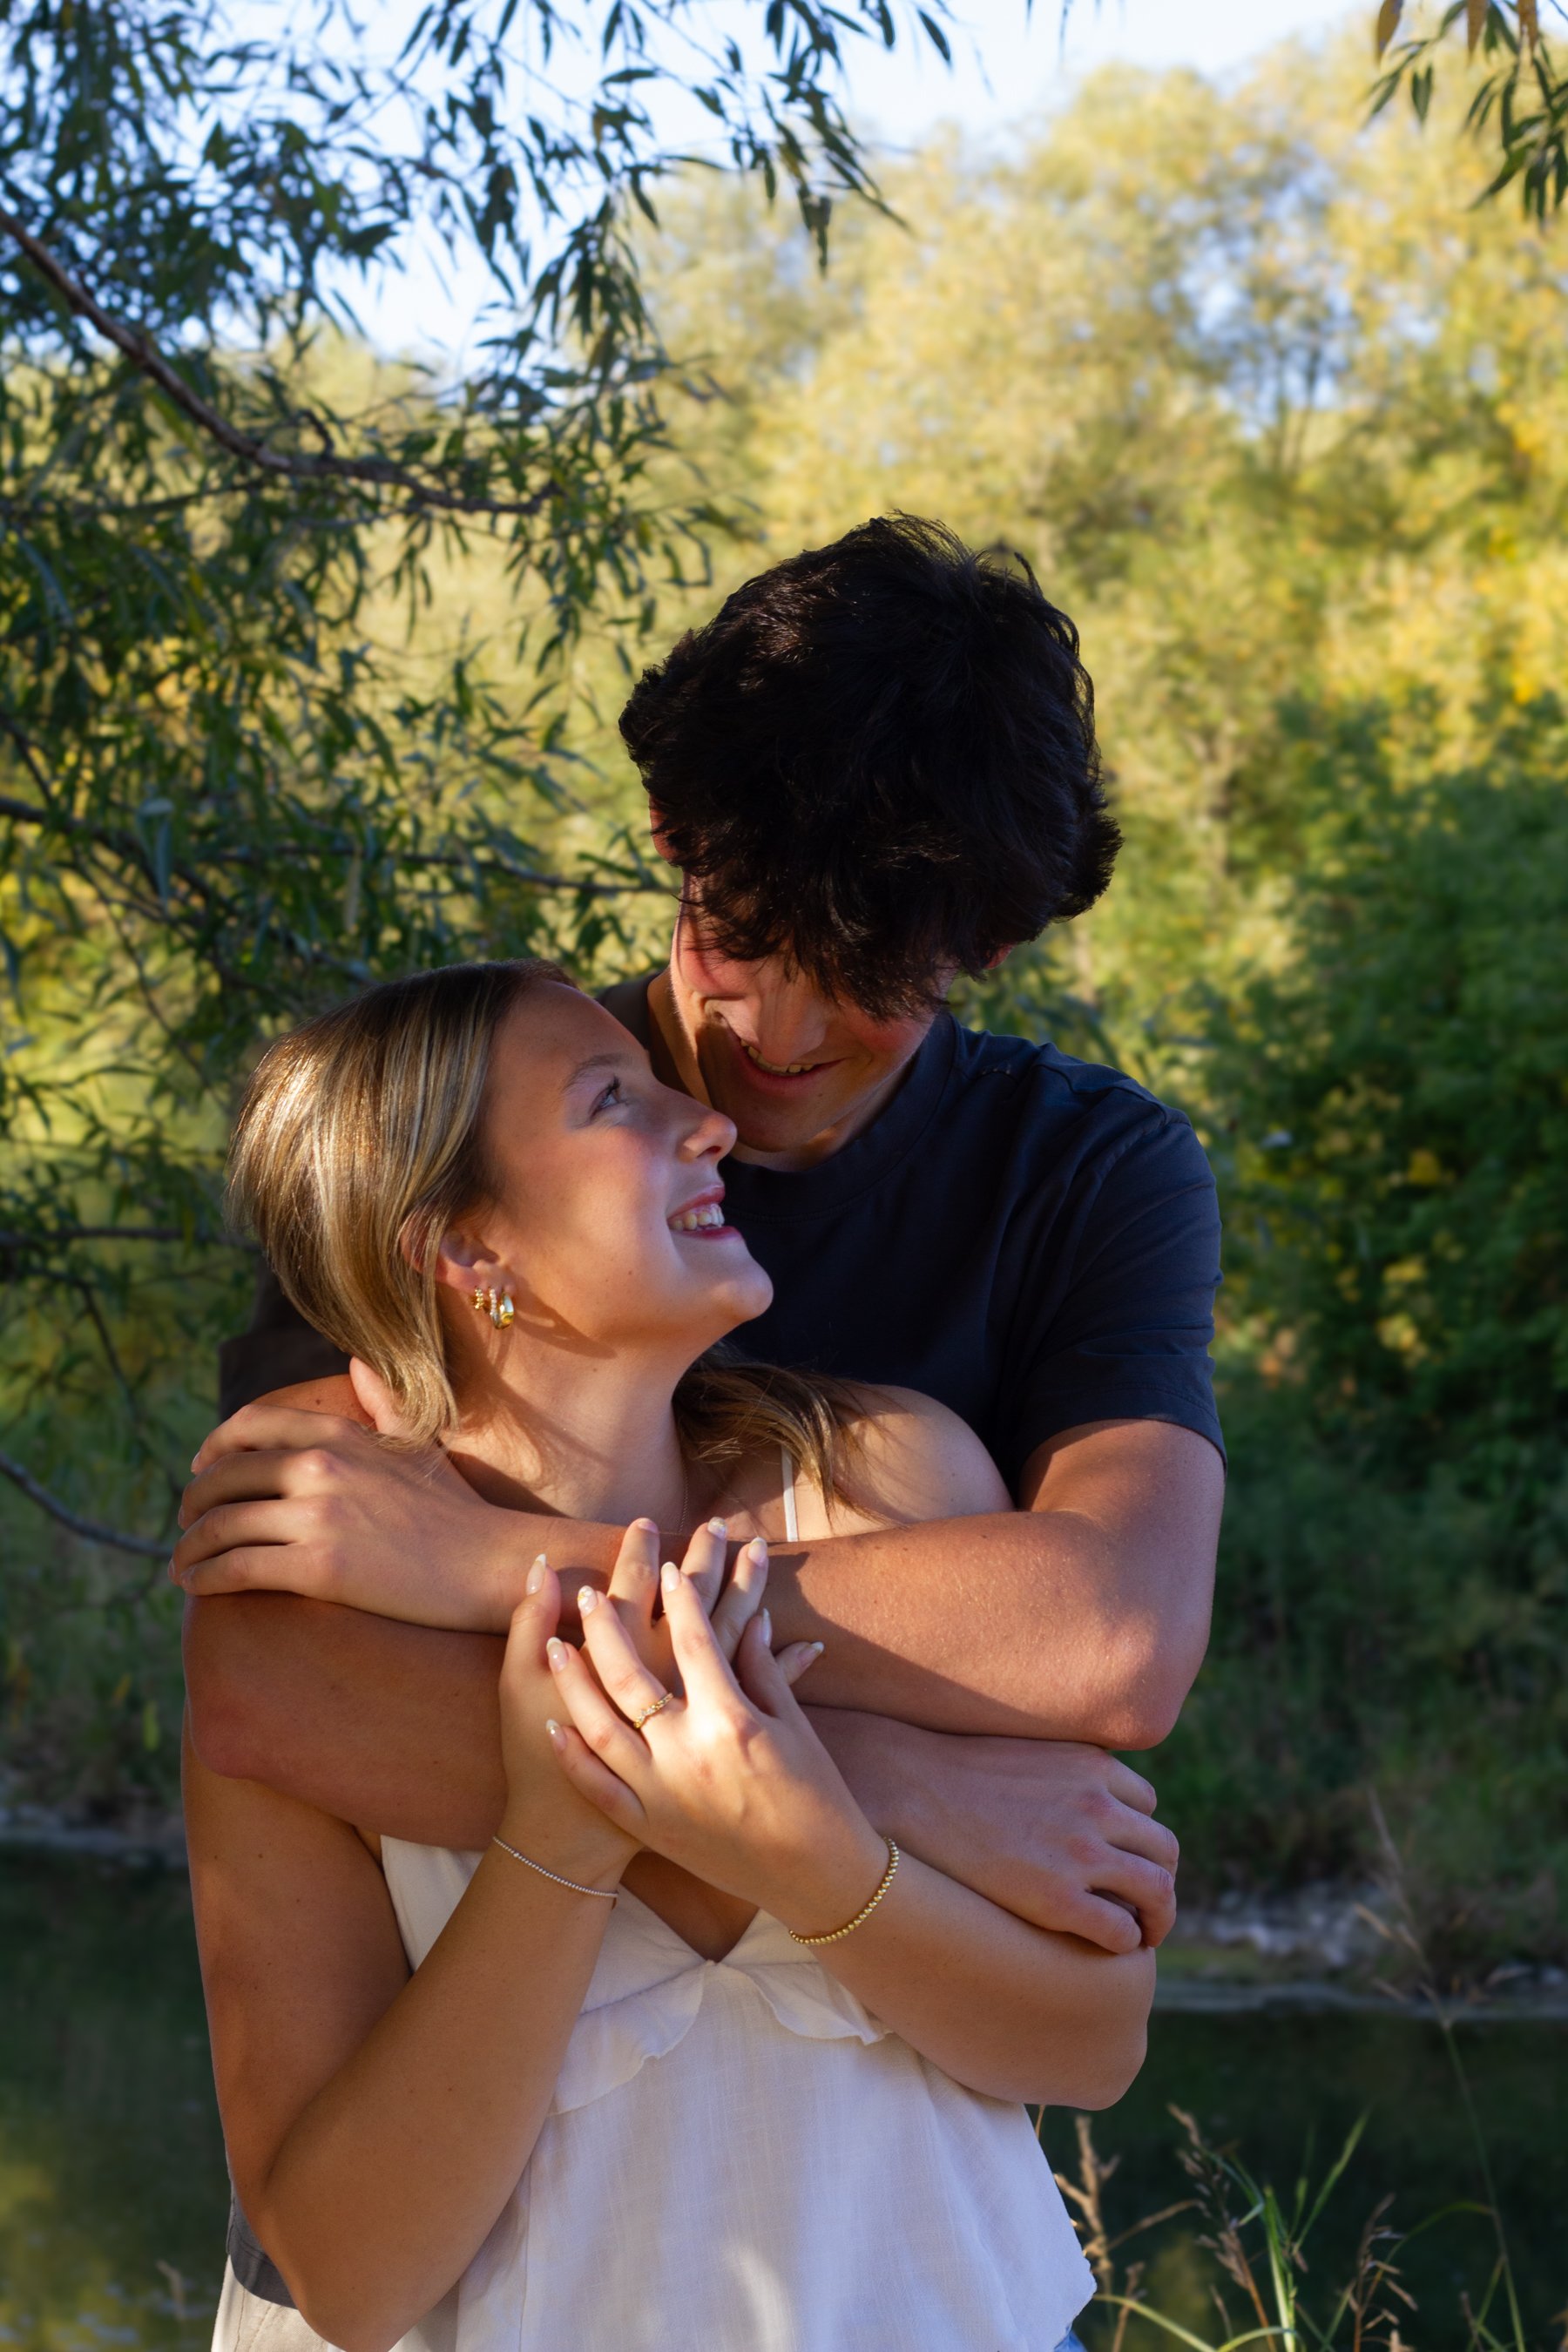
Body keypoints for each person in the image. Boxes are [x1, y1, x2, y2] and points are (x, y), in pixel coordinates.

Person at [178, 516, 1224, 2304]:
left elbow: (1111, 1642)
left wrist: (518, 1568)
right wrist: (867, 1785)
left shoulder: (1082, 1181)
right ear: (672, 842)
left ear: (983, 947)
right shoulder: (452, 1121)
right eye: (742, 931)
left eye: (880, 977)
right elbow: (276, 1685)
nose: (776, 1042)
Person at [190, 956, 1154, 2352]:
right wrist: (564, 1839)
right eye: (612, 1103)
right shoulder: (314, 1620)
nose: (706, 1124)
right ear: (465, 1249)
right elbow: (352, 2277)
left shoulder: (890, 1478)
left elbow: (1095, 2043)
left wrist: (800, 1836)